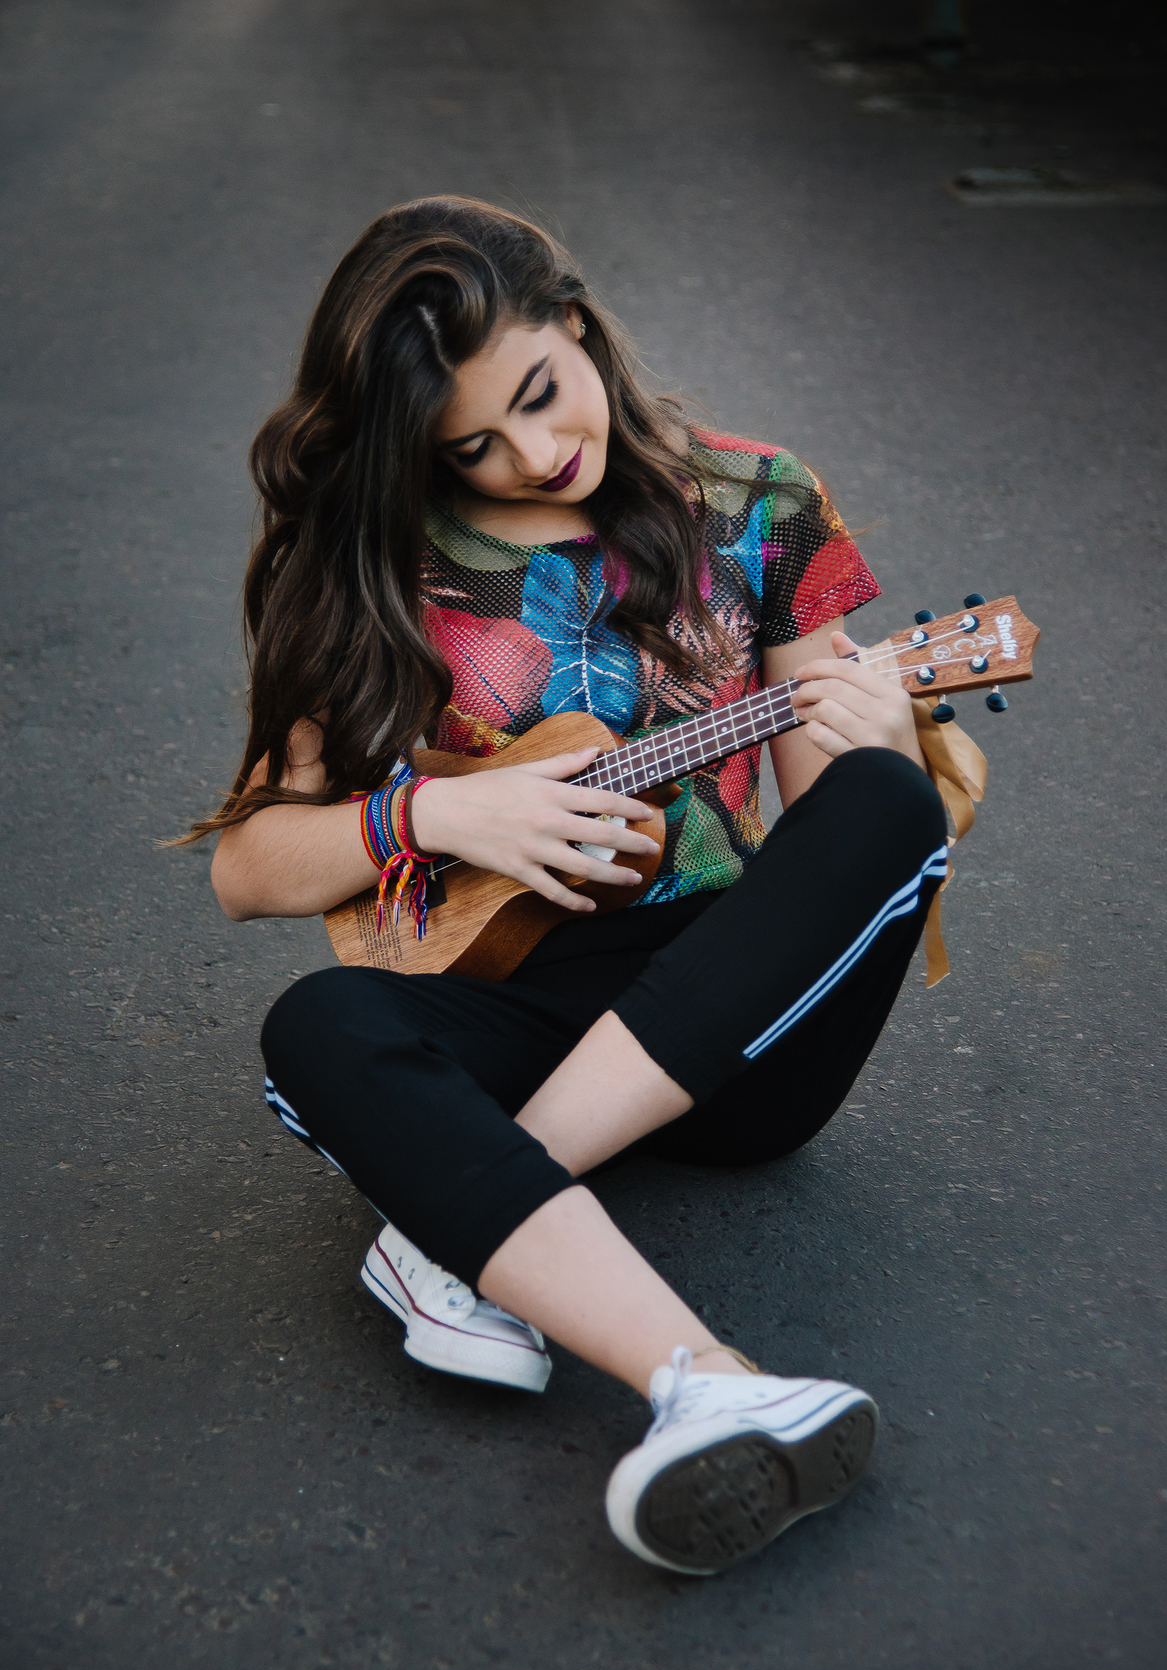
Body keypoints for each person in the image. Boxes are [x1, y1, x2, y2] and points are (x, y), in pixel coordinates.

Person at [192, 197, 947, 1577]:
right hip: (517, 998)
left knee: (890, 803)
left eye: (541, 394)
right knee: (319, 1024)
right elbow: (249, 866)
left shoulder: (757, 500)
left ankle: (453, 1225)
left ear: (578, 321)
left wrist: (874, 739)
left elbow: (822, 832)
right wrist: (441, 809)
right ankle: (709, 1386)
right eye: (472, 445)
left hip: (735, 1030)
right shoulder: (372, 562)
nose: (537, 454)